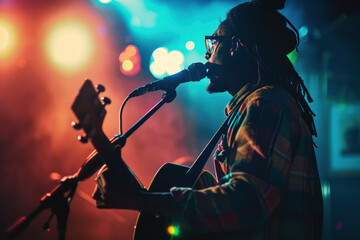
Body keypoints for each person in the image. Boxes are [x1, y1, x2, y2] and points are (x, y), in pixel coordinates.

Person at [92, 0, 323, 239]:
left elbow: (247, 203)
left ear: (234, 46)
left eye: (214, 42)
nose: (206, 53)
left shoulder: (263, 104)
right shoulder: (259, 104)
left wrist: (136, 199)